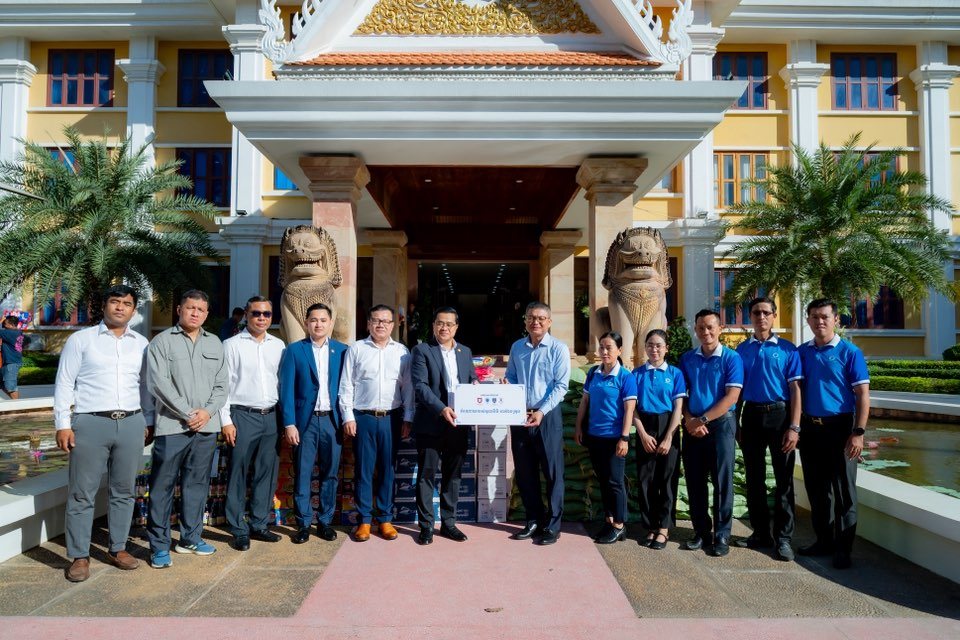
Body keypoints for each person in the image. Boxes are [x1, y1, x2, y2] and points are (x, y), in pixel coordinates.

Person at [53, 285, 154, 582]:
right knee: (82, 492)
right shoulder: (81, 340)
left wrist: (147, 420)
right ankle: (79, 556)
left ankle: (118, 548)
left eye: (127, 303)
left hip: (131, 422)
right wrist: (62, 424)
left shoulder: (141, 343)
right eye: (115, 301)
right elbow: (64, 383)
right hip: (91, 422)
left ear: (133, 310)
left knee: (124, 490)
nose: (120, 307)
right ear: (104, 305)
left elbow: (145, 385)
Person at [146, 289, 228, 569]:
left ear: (207, 314)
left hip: (206, 427)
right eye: (190, 307)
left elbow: (222, 385)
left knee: (197, 485)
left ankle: (190, 538)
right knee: (162, 487)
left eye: (200, 309)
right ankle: (159, 546)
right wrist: (188, 413)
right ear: (179, 309)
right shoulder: (162, 342)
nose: (195, 313)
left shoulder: (215, 343)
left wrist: (207, 412)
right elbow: (158, 384)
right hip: (172, 427)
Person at [797, 298, 870, 570]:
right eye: (814, 316)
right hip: (811, 429)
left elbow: (862, 395)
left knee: (844, 492)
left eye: (825, 316)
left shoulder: (850, 352)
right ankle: (824, 541)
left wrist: (858, 432)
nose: (820, 321)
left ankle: (843, 549)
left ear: (836, 319)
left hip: (841, 428)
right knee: (817, 490)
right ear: (808, 320)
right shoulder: (802, 352)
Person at [735, 296, 802, 562]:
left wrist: (794, 426)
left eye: (765, 312)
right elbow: (737, 391)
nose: (761, 317)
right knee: (754, 478)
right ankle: (761, 533)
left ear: (774, 316)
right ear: (750, 317)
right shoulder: (742, 350)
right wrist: (736, 423)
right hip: (751, 416)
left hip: (780, 416)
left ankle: (783, 538)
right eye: (756, 313)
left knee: (784, 480)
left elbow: (796, 390)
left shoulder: (788, 350)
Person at [339, 304, 414, 542]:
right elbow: (346, 384)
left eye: (385, 321)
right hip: (364, 418)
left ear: (393, 325)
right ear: (369, 323)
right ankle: (364, 520)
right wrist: (348, 416)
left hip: (392, 418)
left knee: (387, 470)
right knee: (363, 470)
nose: (381, 325)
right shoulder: (357, 349)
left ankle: (385, 519)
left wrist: (408, 417)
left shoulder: (402, 352)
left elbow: (408, 388)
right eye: (376, 320)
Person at [219, 296, 285, 551]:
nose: (261, 318)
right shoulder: (231, 345)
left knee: (266, 473)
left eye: (266, 314)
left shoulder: (278, 345)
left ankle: (259, 524)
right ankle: (238, 528)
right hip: (242, 415)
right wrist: (226, 420)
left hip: (271, 416)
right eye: (256, 313)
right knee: (238, 472)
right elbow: (223, 385)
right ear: (246, 315)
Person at [279, 302, 347, 544]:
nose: (318, 324)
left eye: (323, 320)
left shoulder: (342, 351)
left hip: (332, 421)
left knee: (330, 474)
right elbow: (286, 389)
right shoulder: (295, 350)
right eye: (314, 320)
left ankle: (325, 521)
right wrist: (289, 423)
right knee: (303, 473)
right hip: (304, 422)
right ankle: (304, 524)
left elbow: (348, 387)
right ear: (307, 323)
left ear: (330, 323)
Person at [678, 309, 743, 557]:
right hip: (693, 426)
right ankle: (701, 532)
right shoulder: (687, 359)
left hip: (721, 426)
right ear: (695, 330)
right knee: (695, 481)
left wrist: (702, 420)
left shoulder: (731, 358)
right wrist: (689, 420)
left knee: (722, 482)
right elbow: (681, 394)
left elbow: (732, 396)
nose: (705, 332)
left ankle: (722, 534)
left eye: (710, 327)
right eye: (701, 328)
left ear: (720, 329)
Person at [410, 307, 477, 545]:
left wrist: (478, 386)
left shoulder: (465, 351)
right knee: (426, 475)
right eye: (440, 323)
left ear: (456, 327)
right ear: (433, 326)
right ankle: (426, 526)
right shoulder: (421, 350)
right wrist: (441, 408)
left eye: (449, 324)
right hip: (431, 422)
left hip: (458, 424)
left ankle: (449, 523)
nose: (444, 328)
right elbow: (420, 386)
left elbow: (471, 379)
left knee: (453, 475)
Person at [505, 301, 570, 545]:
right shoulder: (517, 347)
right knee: (525, 471)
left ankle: (553, 525)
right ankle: (533, 520)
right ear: (525, 321)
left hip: (547, 416)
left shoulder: (558, 348)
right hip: (520, 416)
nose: (536, 322)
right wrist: (507, 388)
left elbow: (561, 386)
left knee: (553, 472)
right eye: (532, 317)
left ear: (549, 322)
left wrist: (541, 411)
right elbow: (511, 376)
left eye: (541, 318)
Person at [574, 331, 637, 545]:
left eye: (609, 347)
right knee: (603, 480)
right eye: (601, 347)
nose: (604, 351)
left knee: (615, 481)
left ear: (619, 350)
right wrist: (579, 427)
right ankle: (610, 520)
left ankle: (619, 525)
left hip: (614, 438)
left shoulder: (625, 377)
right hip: (595, 436)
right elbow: (584, 402)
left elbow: (629, 410)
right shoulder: (594, 373)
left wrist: (624, 438)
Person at [632, 329, 686, 551]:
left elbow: (678, 408)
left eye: (658, 345)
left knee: (666, 479)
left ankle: (664, 528)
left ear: (666, 349)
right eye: (650, 345)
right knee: (646, 480)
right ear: (645, 347)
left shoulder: (675, 373)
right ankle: (651, 526)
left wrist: (669, 437)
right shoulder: (636, 374)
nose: (654, 349)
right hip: (644, 427)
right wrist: (642, 434)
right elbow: (632, 408)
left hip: (668, 426)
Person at [0, 315, 24, 399]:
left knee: (11, 387)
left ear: (12, 325)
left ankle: (18, 405)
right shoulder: (17, 332)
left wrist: (1, 320)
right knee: (2, 384)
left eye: (5, 323)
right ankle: (15, 402)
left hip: (11, 363)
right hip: (10, 361)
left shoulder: (10, 333)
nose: (3, 325)